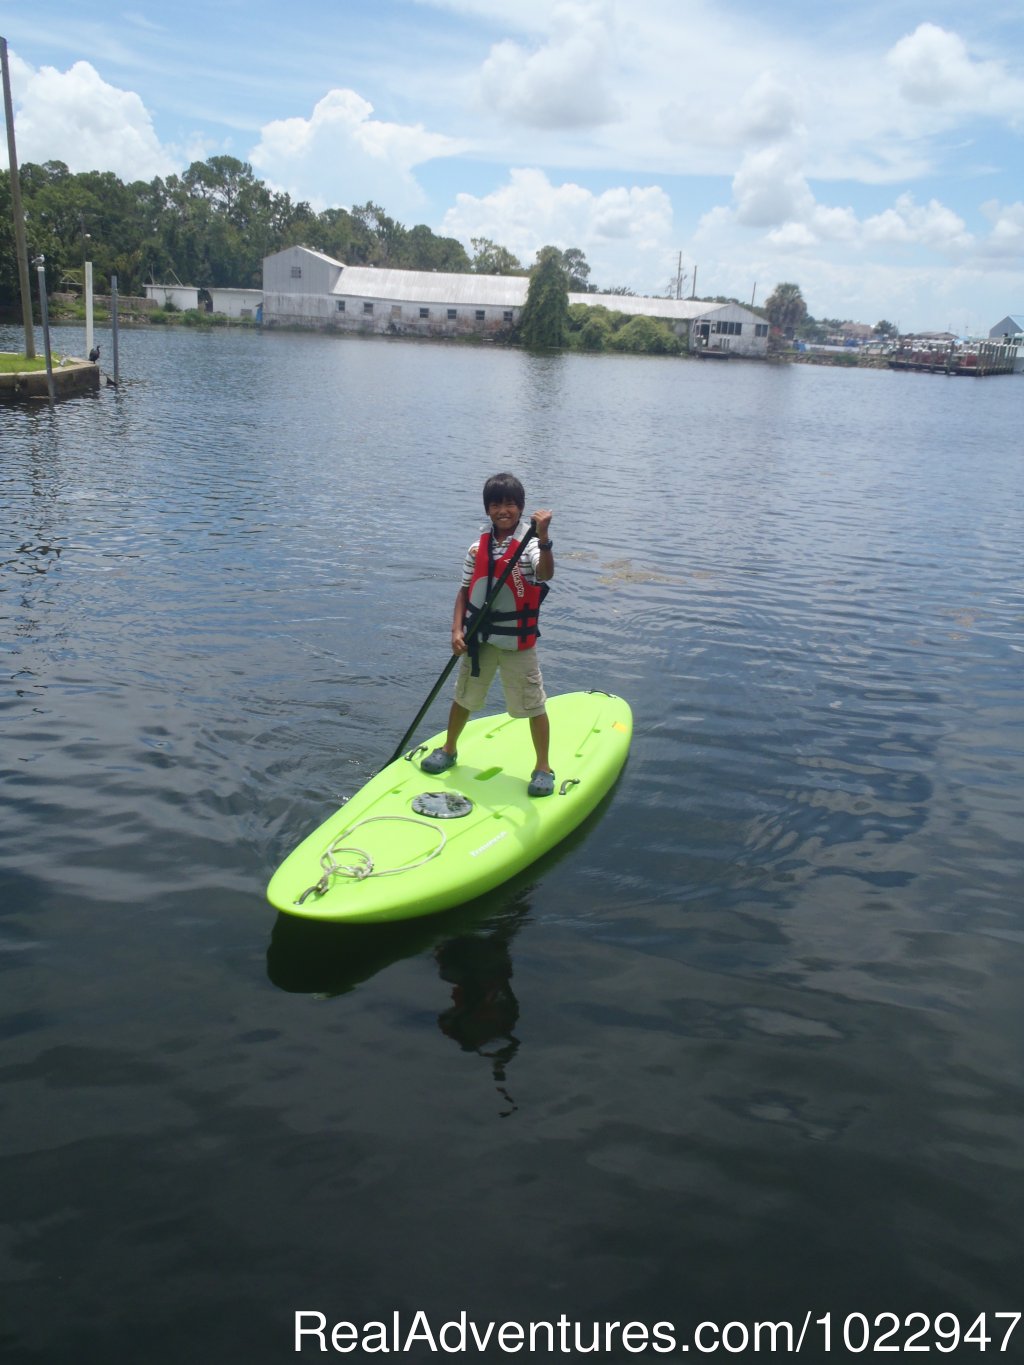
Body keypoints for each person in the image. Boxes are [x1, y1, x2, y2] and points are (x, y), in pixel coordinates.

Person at [421, 472, 556, 796]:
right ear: (487, 510)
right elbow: (465, 591)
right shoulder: (476, 548)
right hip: (479, 642)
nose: (503, 510)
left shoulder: (531, 546)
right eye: (496, 505)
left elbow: (545, 572)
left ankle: (543, 767)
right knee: (463, 697)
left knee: (533, 705)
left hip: (517, 645)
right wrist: (456, 630)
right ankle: (449, 749)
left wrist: (544, 537)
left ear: (520, 508)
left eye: (510, 504)